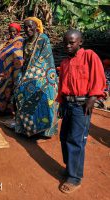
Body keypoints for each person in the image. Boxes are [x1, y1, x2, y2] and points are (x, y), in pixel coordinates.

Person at [57, 29, 106, 193]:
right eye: (66, 43)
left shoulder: (89, 56)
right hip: (68, 104)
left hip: (81, 105)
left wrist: (93, 98)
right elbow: (62, 86)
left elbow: (99, 77)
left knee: (75, 140)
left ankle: (74, 178)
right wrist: (61, 103)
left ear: (80, 42)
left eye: (72, 42)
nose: (68, 46)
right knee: (64, 137)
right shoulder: (65, 63)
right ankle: (70, 167)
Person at [14, 17, 58, 137]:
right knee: (19, 91)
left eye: (30, 26)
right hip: (28, 72)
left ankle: (44, 131)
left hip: (43, 74)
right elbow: (26, 60)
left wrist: (30, 75)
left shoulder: (43, 39)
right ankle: (26, 127)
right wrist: (23, 75)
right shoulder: (24, 42)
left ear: (36, 26)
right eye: (25, 27)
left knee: (40, 96)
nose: (28, 29)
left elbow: (45, 59)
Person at [0, 22, 24, 114]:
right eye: (10, 31)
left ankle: (2, 110)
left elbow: (18, 57)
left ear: (18, 31)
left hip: (9, 72)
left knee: (5, 90)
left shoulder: (19, 42)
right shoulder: (7, 42)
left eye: (14, 32)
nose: (12, 33)